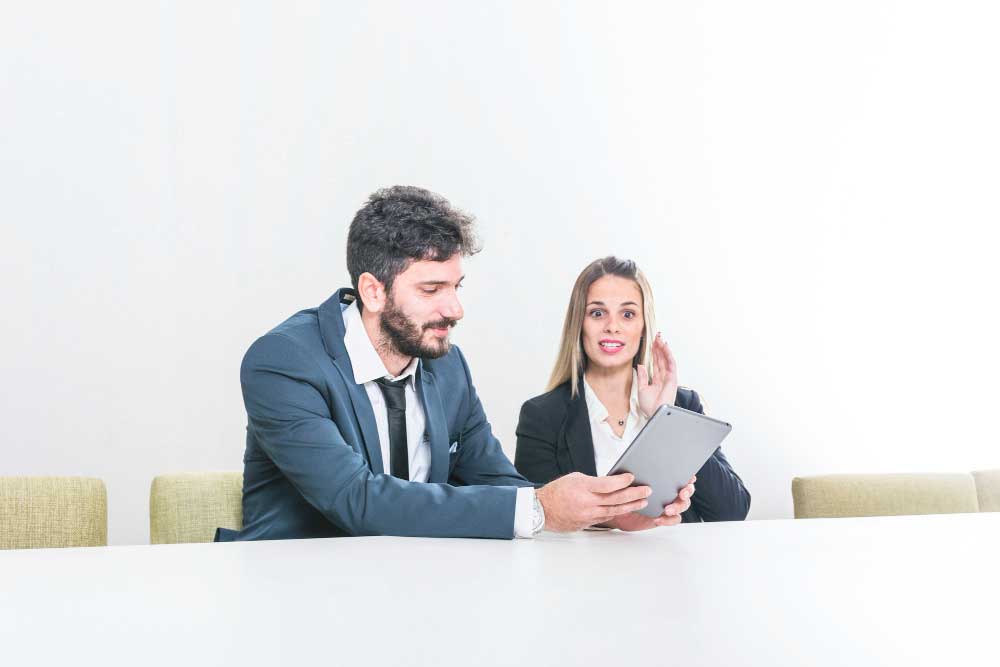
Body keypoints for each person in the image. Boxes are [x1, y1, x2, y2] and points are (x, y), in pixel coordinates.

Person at [216, 187, 674, 542]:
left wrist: (605, 515)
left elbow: (500, 483)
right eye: (432, 290)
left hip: (424, 586)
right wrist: (540, 509)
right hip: (294, 595)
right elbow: (353, 499)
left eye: (457, 286)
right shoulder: (284, 362)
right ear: (373, 291)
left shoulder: (447, 366)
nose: (455, 309)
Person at [514, 256, 750, 531]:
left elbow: (732, 512)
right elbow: (537, 518)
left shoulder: (683, 405)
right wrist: (617, 519)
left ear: (643, 327)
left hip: (672, 567)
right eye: (597, 313)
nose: (612, 326)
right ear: (579, 325)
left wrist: (666, 418)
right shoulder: (542, 416)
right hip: (582, 571)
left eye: (627, 314)